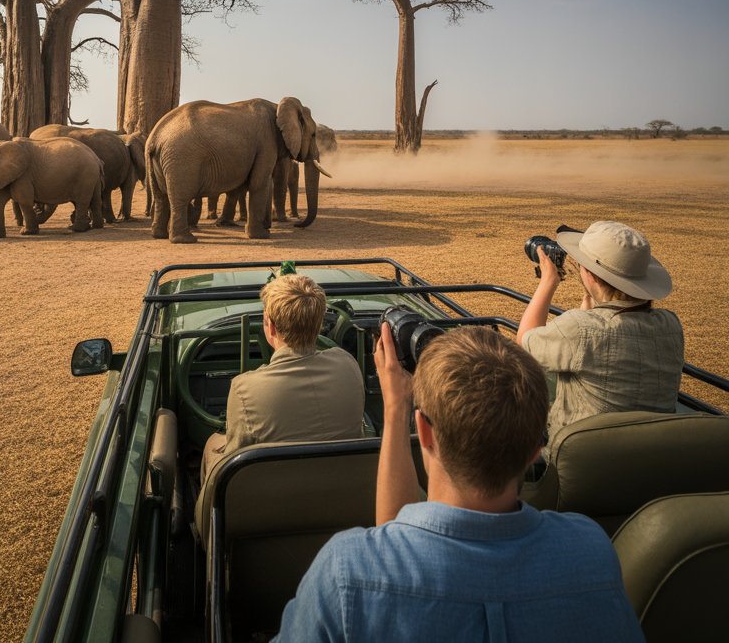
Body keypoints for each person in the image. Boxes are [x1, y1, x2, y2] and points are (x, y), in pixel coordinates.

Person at [273, 326, 643, 641]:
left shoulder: (347, 573)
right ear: (535, 450)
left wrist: (395, 405)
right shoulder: (591, 555)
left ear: (425, 433)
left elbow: (396, 555)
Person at [517, 220, 684, 451]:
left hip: (583, 460)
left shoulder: (579, 328)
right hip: (653, 455)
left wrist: (548, 281)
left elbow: (524, 343)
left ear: (591, 276)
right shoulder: (671, 324)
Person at [200, 273, 365, 481]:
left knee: (212, 445)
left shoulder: (244, 388)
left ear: (269, 325)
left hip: (275, 499)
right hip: (346, 487)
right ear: (320, 322)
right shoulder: (348, 364)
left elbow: (235, 462)